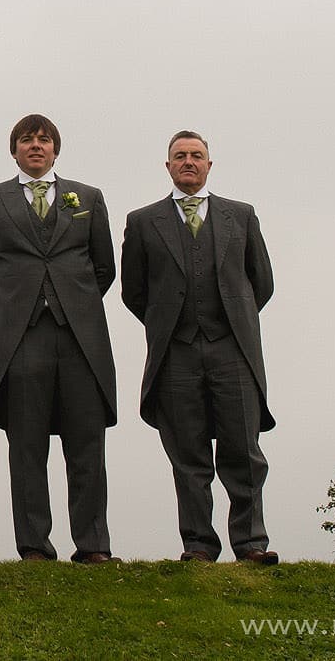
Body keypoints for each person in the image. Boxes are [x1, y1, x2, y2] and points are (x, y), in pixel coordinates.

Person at [0, 114, 118, 563]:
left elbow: (104, 267)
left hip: (80, 339)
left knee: (86, 445)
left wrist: (73, 303)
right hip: (21, 340)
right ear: (14, 150)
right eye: (27, 139)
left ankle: (93, 545)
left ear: (55, 149)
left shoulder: (87, 198)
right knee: (27, 446)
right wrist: (15, 309)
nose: (36, 145)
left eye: (44, 139)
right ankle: (34, 546)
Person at [121, 130, 278, 564]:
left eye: (196, 155)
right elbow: (134, 291)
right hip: (176, 353)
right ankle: (198, 545)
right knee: (188, 455)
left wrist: (233, 319)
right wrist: (169, 324)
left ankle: (251, 543)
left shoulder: (240, 216)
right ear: (168, 166)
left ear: (209, 164)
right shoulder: (142, 221)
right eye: (180, 156)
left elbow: (261, 282)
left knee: (243, 452)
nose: (188, 161)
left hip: (233, 351)